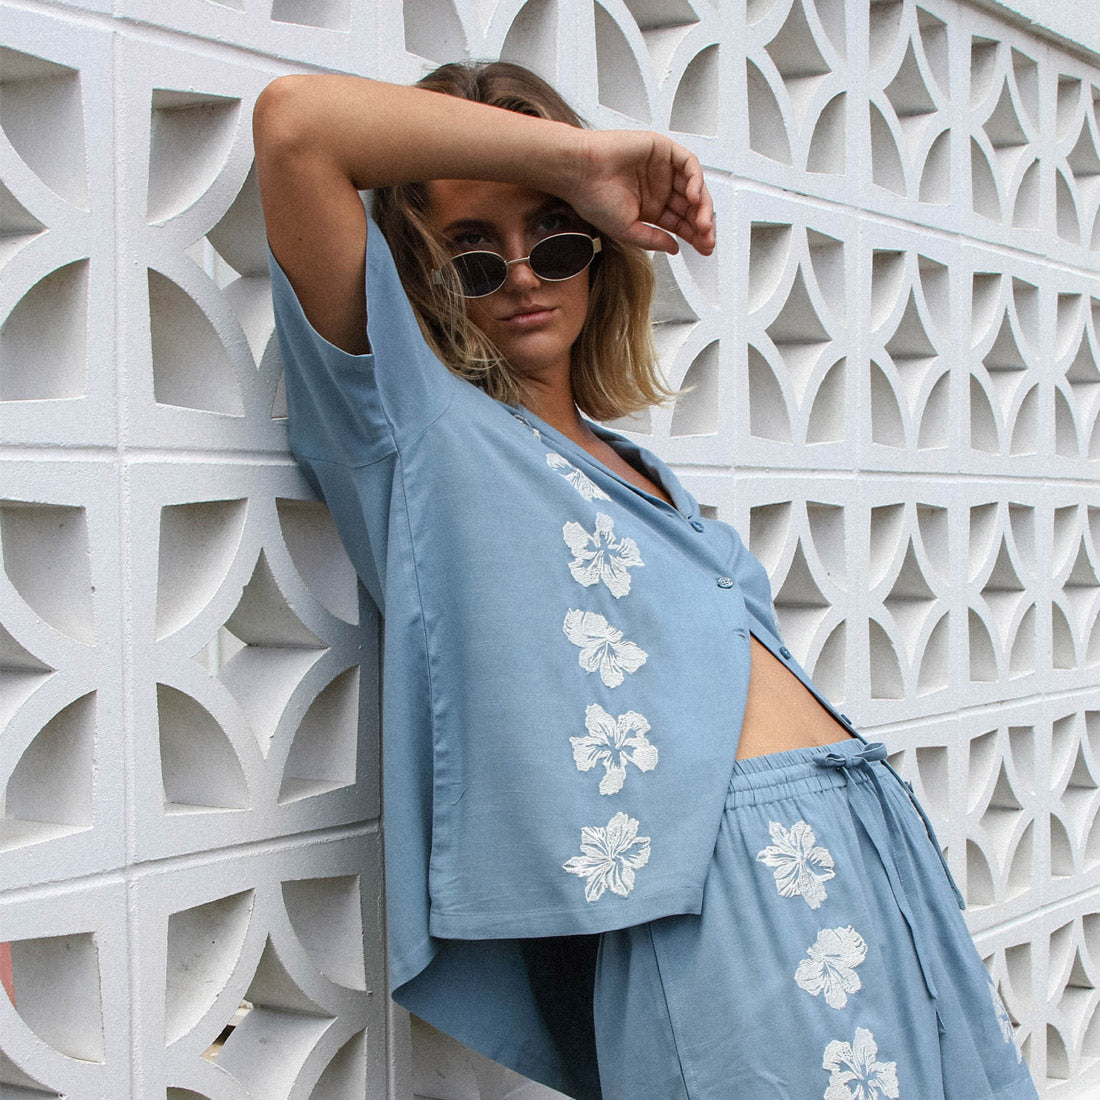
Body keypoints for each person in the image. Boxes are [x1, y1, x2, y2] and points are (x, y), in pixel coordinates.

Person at [253, 61, 1037, 1100]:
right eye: (472, 256)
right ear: (421, 276)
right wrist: (577, 161)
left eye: (556, 237)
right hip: (719, 912)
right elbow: (296, 128)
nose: (523, 275)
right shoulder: (416, 425)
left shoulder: (643, 471)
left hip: (873, 867)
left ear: (600, 254)